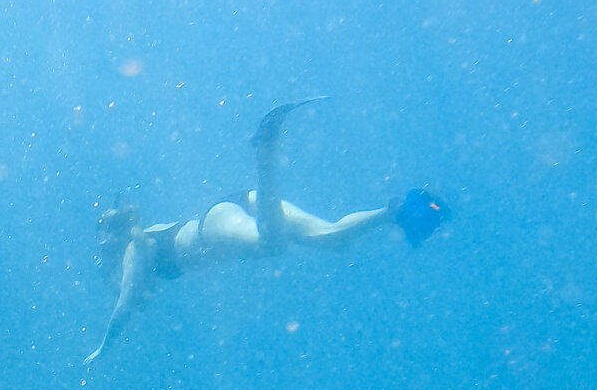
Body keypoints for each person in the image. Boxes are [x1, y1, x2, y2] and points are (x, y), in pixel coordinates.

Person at [83, 102, 445, 368]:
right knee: (332, 238)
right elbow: (133, 296)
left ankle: (264, 152)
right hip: (239, 207)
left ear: (116, 237)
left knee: (270, 245)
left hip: (215, 227)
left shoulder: (136, 247)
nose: (103, 249)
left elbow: (125, 305)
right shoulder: (143, 236)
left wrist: (103, 346)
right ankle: (396, 211)